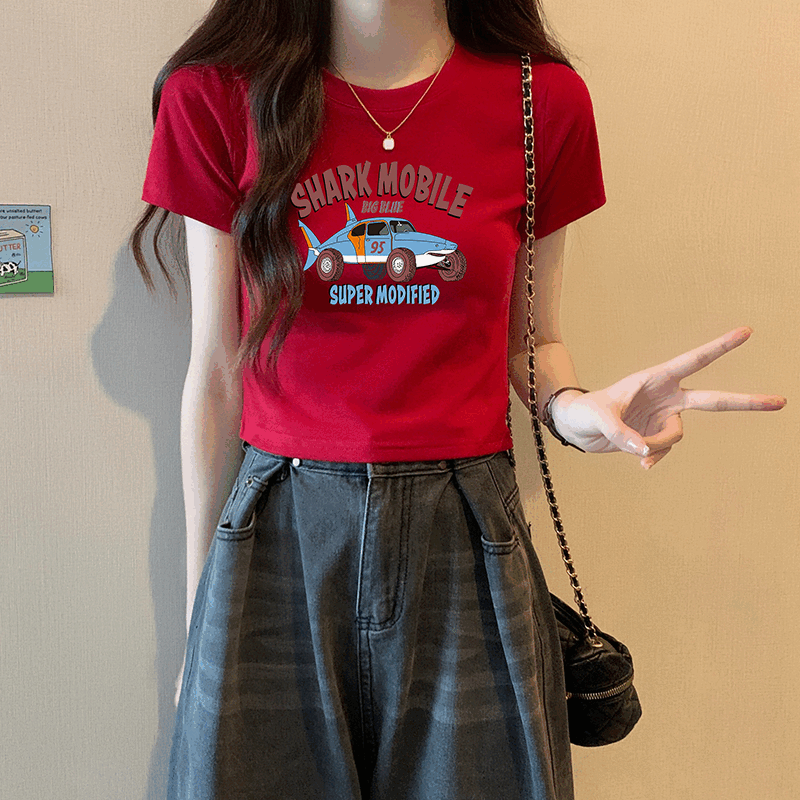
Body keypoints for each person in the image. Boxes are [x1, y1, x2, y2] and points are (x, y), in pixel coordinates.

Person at [129, 1, 787, 798]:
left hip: (466, 532)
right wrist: (201, 620)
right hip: (280, 536)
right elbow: (215, 373)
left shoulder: (542, 103)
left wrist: (573, 410)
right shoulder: (216, 96)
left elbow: (533, 341)